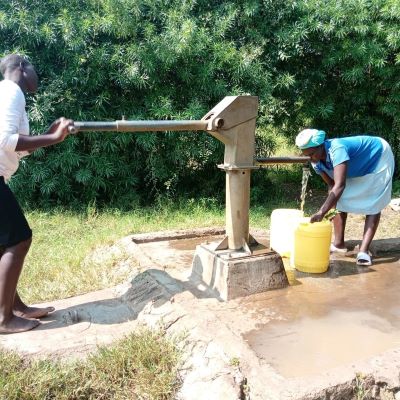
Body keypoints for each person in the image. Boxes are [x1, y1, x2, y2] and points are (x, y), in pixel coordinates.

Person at [0, 54, 74, 333]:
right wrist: (54, 138)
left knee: (5, 244)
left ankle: (14, 307)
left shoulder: (6, 93)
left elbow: (20, 148)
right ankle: (3, 318)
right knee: (19, 239)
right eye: (33, 68)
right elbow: (5, 141)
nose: (36, 75)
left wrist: (49, 134)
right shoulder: (11, 91)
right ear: (21, 66)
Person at [295, 128, 394, 267]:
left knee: (373, 201)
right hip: (357, 166)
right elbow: (332, 185)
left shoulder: (337, 149)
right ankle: (338, 244)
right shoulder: (315, 161)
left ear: (320, 146)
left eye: (311, 154)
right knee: (339, 198)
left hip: (377, 158)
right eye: (306, 155)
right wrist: (329, 208)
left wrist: (322, 212)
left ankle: (364, 251)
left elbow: (340, 186)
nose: (310, 158)